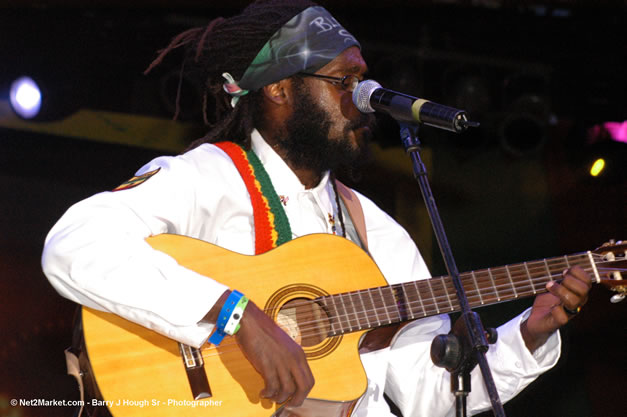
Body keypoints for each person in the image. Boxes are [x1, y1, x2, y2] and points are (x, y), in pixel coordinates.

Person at [41, 1, 592, 416]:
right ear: (279, 89)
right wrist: (238, 315)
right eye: (344, 82)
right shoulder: (207, 178)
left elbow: (429, 394)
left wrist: (528, 335)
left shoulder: (378, 234)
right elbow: (74, 245)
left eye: (364, 81)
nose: (363, 97)